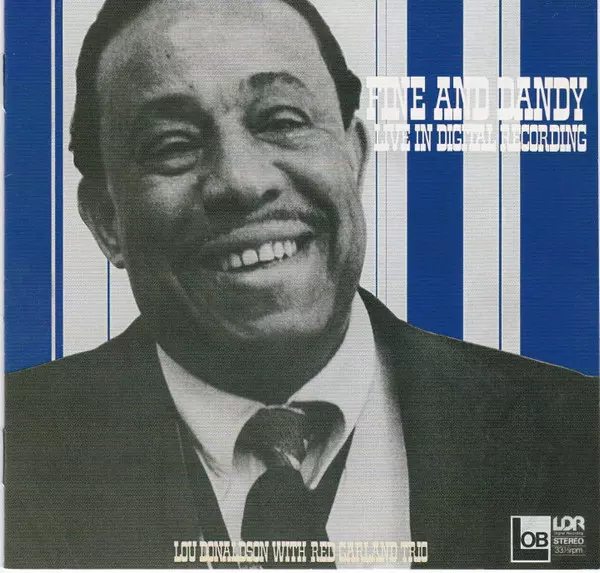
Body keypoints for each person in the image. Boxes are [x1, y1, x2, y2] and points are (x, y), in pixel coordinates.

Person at [5, 0, 598, 568]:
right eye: (173, 145)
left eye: (282, 121)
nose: (242, 181)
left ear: (355, 158)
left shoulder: (579, 433)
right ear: (108, 220)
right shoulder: (19, 443)